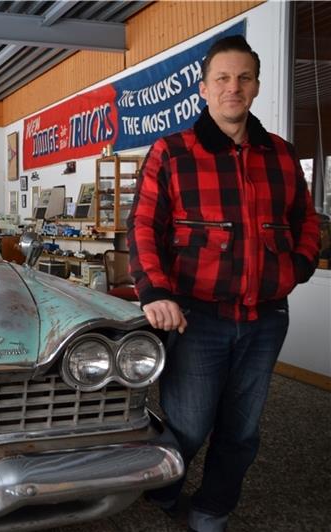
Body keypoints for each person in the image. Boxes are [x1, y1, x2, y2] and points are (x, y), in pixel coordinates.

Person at [127, 35, 320, 532]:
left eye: (244, 78)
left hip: (265, 318)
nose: (233, 87)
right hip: (197, 316)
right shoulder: (172, 153)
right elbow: (144, 226)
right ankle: (164, 487)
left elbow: (306, 220)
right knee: (189, 425)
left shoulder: (280, 154)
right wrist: (156, 290)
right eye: (222, 79)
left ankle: (212, 509)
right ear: (204, 89)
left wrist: (297, 266)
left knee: (242, 429)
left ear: (255, 87)